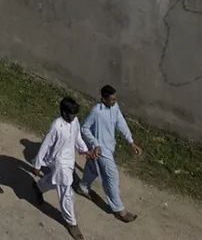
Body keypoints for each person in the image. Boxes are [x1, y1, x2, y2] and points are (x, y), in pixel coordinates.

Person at [77, 85, 143, 224]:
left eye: (115, 99)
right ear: (103, 98)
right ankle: (119, 210)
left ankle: (83, 187)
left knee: (93, 167)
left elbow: (121, 123)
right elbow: (84, 128)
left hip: (110, 146)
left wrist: (131, 142)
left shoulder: (115, 107)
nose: (114, 101)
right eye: (111, 100)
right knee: (111, 177)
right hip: (101, 149)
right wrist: (95, 144)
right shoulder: (96, 111)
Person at [32, 97, 95, 240]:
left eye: (75, 114)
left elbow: (77, 137)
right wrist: (37, 165)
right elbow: (45, 145)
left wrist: (85, 150)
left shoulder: (75, 121)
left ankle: (38, 187)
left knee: (56, 181)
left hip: (69, 160)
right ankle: (72, 223)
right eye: (71, 114)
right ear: (63, 112)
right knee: (66, 192)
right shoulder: (56, 126)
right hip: (58, 161)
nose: (73, 117)